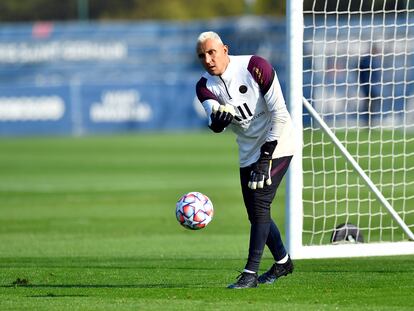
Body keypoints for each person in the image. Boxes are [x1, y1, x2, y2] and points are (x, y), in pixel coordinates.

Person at [195, 31, 296, 289]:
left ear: (225, 49)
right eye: (202, 55)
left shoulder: (255, 66)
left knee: (261, 204)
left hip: (279, 140)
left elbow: (281, 115)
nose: (207, 59)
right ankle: (283, 262)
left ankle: (250, 274)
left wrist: (266, 158)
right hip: (248, 149)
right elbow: (213, 117)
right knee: (255, 213)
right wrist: (216, 124)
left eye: (211, 52)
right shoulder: (204, 86)